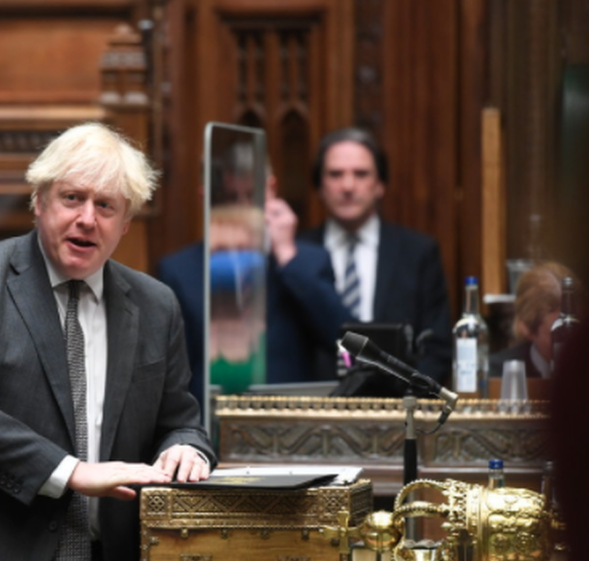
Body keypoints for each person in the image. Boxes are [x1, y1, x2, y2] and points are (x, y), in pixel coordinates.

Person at [0, 122, 215, 561]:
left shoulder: (156, 304)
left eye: (106, 205)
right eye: (72, 198)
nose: (87, 218)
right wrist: (71, 472)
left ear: (125, 224)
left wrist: (186, 447)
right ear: (38, 201)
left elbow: (180, 418)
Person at [157, 177, 352, 397]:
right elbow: (175, 374)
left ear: (271, 191)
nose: (242, 209)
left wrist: (288, 258)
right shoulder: (179, 270)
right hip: (211, 419)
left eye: (252, 196)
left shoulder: (309, 262)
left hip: (292, 418)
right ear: (206, 198)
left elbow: (346, 346)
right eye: (230, 198)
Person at [299, 127, 453, 384]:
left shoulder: (418, 253)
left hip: (396, 412)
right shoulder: (296, 254)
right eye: (335, 174)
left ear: (379, 184)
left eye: (361, 174)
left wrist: (404, 404)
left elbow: (437, 349)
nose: (348, 186)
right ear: (320, 186)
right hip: (311, 410)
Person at [489, 261, 579, 378]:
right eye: (558, 334)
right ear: (527, 329)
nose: (571, 344)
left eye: (578, 331)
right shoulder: (498, 373)